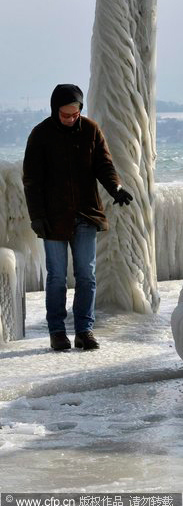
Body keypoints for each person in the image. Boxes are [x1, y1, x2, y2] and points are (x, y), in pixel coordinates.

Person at [22, 84, 133, 352]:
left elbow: (103, 165)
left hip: (85, 213)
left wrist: (115, 187)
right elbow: (31, 181)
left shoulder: (91, 130)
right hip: (53, 218)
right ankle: (57, 331)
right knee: (57, 277)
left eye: (75, 114)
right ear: (55, 110)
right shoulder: (40, 135)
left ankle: (84, 329)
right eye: (65, 115)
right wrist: (36, 216)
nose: (71, 119)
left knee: (87, 275)